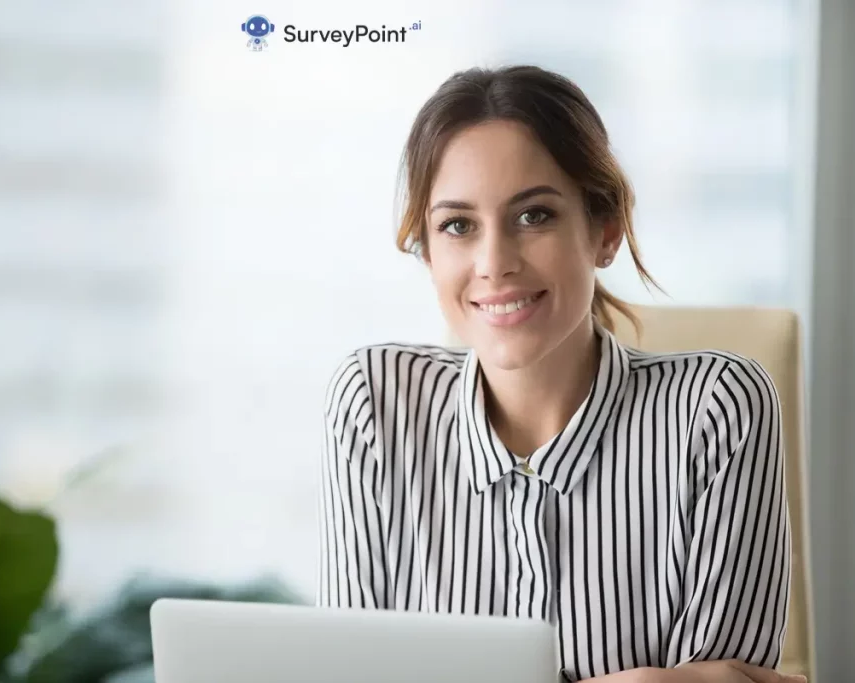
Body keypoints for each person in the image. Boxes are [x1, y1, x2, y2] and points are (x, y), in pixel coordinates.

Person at [316, 65, 799, 683]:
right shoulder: (373, 404)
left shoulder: (717, 409)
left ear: (605, 230)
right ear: (428, 251)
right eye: (458, 226)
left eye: (534, 216)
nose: (494, 264)